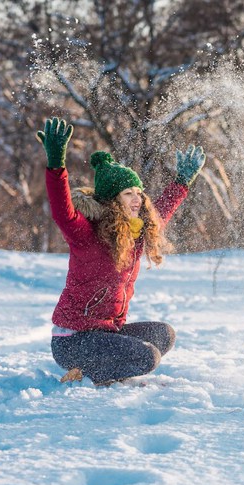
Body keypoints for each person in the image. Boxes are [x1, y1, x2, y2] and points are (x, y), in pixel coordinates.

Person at [36, 117, 206, 386]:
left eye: (139, 191)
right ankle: (87, 375)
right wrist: (56, 165)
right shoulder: (86, 233)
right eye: (128, 193)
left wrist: (181, 183)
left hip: (105, 332)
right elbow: (62, 212)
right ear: (113, 200)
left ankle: (104, 370)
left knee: (164, 335)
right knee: (148, 358)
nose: (137, 198)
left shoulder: (136, 231)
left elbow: (160, 214)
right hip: (73, 340)